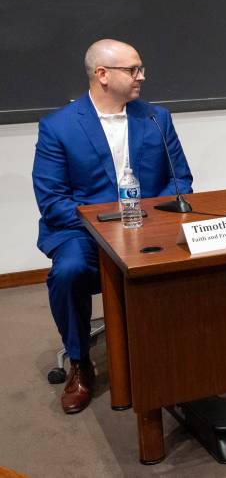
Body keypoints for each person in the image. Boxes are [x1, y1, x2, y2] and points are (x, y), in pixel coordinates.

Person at [32, 39, 193, 414]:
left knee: (196, 255)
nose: (142, 76)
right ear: (102, 75)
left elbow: (180, 181)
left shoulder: (156, 117)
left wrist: (150, 222)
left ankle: (179, 355)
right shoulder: (58, 128)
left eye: (141, 68)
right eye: (133, 70)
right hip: (83, 232)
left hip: (148, 226)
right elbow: (53, 201)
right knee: (69, 271)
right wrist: (108, 225)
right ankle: (80, 362)